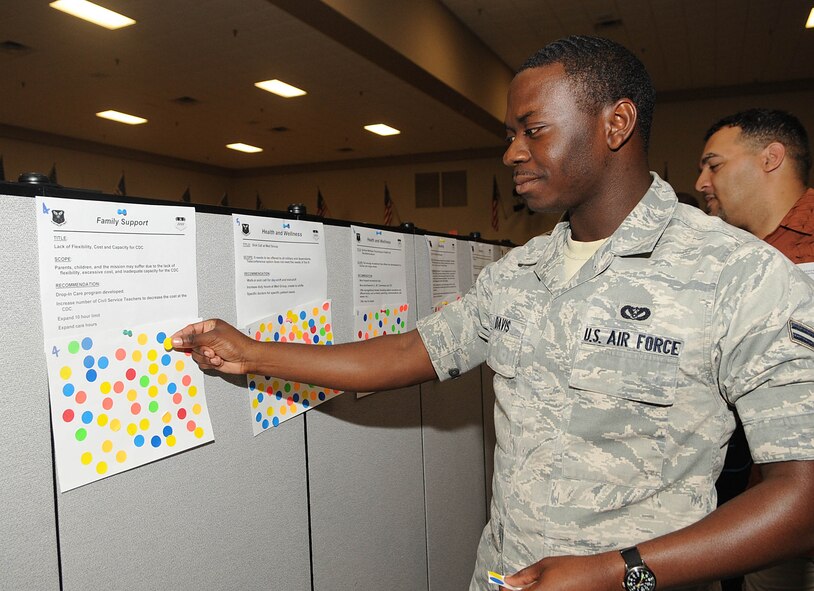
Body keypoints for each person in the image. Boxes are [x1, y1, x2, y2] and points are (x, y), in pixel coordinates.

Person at [172, 36, 814, 591]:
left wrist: (617, 572)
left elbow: (800, 497)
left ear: (615, 125)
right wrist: (252, 352)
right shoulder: (518, 273)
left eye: (532, 130)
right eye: (510, 134)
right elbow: (407, 352)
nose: (510, 152)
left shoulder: (741, 273)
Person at [697, 108, 814, 591]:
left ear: (771, 158)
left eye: (714, 165)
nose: (701, 181)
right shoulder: (744, 261)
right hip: (770, 499)